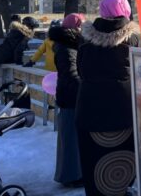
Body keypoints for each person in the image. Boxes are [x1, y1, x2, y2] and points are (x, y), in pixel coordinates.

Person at [75, 0, 141, 195]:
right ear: (126, 11)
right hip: (123, 115)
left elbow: (80, 71)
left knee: (94, 171)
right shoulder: (134, 39)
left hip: (88, 114)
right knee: (121, 173)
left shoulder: (85, 39)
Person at [50, 13, 85, 188]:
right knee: (70, 139)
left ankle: (72, 173)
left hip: (67, 95)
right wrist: (85, 88)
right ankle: (71, 175)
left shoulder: (65, 45)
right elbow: (72, 74)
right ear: (76, 28)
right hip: (71, 97)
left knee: (70, 138)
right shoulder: (67, 48)